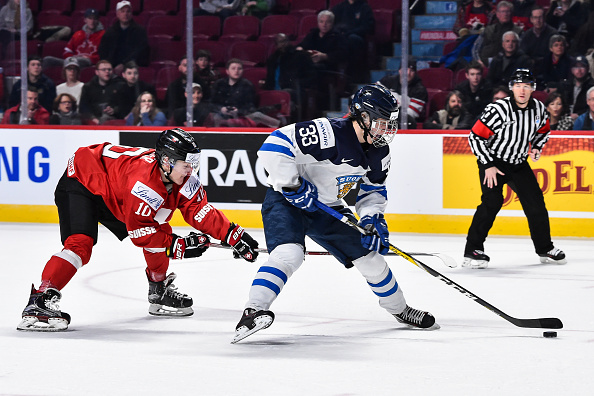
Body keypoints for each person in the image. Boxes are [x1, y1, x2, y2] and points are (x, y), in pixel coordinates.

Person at [231, 84, 438, 344]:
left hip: (328, 207)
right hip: (286, 201)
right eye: (382, 122)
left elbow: (373, 190)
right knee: (289, 255)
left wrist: (371, 218)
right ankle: (253, 311)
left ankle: (401, 310)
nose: (388, 129)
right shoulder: (329, 133)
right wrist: (293, 185)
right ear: (363, 117)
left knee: (371, 259)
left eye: (390, 123)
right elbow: (273, 145)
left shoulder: (379, 151)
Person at [17, 128, 260, 331]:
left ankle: (159, 288)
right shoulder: (144, 184)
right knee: (80, 244)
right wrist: (180, 247)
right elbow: (140, 233)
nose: (191, 170)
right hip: (82, 179)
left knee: (161, 221)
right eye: (187, 164)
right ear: (166, 161)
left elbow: (199, 211)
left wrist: (233, 235)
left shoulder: (182, 178)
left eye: (194, 163)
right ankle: (40, 300)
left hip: (115, 186)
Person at [463, 69, 566, 269]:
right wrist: (487, 165)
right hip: (493, 160)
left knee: (536, 204)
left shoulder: (538, 109)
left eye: (526, 86)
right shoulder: (498, 109)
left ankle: (545, 248)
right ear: (512, 88)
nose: (522, 90)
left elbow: (543, 131)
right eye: (518, 85)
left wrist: (536, 147)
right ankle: (472, 250)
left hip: (518, 162)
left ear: (533, 89)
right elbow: (475, 137)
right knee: (492, 202)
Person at [211, 58, 280, 128]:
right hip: (221, 114)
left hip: (242, 115)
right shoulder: (219, 84)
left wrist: (238, 111)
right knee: (215, 117)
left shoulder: (247, 85)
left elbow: (250, 106)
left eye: (239, 69)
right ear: (227, 71)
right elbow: (211, 103)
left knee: (257, 115)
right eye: (233, 68)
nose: (236, 71)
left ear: (242, 71)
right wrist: (221, 109)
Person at [98, 1, 149, 75]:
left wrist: (124, 64)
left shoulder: (140, 31)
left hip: (133, 66)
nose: (125, 14)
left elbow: (140, 51)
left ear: (131, 14)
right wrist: (108, 65)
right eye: (122, 11)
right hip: (112, 66)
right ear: (117, 14)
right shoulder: (110, 32)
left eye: (128, 11)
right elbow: (103, 51)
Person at [331, 0, 375, 82]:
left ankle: (352, 76)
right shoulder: (339, 7)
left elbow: (368, 27)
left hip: (356, 37)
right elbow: (332, 24)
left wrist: (349, 32)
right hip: (340, 36)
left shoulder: (364, 8)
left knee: (352, 39)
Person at [477, 1, 523, 67]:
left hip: (507, 65)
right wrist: (479, 61)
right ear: (497, 14)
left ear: (511, 14)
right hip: (484, 63)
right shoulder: (488, 29)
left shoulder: (518, 32)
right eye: (503, 11)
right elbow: (476, 48)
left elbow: (520, 52)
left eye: (508, 11)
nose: (505, 14)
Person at [79, 60, 121, 124]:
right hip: (93, 120)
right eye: (104, 69)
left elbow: (124, 105)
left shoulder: (119, 86)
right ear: (97, 72)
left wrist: (114, 110)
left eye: (109, 69)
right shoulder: (88, 87)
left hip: (114, 120)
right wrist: (93, 119)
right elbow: (83, 107)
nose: (107, 72)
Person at [560, 55, 594, 119]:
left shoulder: (592, 86)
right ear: (572, 70)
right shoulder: (565, 85)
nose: (579, 70)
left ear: (588, 68)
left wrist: (578, 115)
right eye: (576, 67)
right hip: (565, 118)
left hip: (586, 119)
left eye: (582, 67)